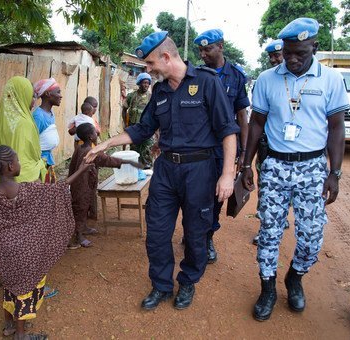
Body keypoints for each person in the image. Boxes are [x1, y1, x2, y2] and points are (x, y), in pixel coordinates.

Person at [85, 31, 239, 310]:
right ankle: (161, 285)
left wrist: (227, 174)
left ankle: (189, 280)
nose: (148, 69)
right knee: (156, 231)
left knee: (195, 233)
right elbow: (143, 129)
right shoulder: (160, 90)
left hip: (200, 170)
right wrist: (104, 144)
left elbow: (228, 131)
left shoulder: (207, 82)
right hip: (166, 170)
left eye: (151, 64)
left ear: (166, 57)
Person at [241, 18, 349, 321]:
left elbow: (337, 128)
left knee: (312, 236)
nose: (292, 59)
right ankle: (267, 288)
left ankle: (295, 277)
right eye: (288, 53)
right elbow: (257, 123)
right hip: (275, 165)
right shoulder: (266, 79)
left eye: (300, 53)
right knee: (269, 233)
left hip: (313, 167)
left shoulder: (330, 79)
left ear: (315, 47)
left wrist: (335, 173)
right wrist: (245, 164)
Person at [0, 145, 89, 340]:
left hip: (5, 253)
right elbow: (60, 188)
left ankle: (9, 326)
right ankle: (21, 335)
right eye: (17, 160)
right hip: (26, 254)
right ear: (9, 167)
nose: (19, 163)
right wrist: (82, 168)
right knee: (26, 291)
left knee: (11, 286)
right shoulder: (28, 190)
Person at [193, 28, 250, 264]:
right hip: (197, 148)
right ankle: (194, 232)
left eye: (208, 49)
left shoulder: (236, 76)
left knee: (218, 195)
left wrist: (243, 152)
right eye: (201, 50)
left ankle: (207, 237)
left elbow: (241, 116)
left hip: (223, 151)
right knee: (194, 194)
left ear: (221, 46)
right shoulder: (195, 74)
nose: (204, 54)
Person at [68, 123, 142, 248]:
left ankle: (84, 228)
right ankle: (78, 236)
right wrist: (128, 161)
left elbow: (72, 166)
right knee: (80, 209)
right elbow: (108, 160)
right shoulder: (91, 153)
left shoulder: (80, 148)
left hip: (79, 185)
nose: (96, 133)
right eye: (94, 132)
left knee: (84, 207)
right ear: (90, 137)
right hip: (83, 186)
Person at [251, 39, 287, 246]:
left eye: (277, 55)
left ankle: (280, 217)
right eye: (271, 56)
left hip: (294, 151)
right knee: (265, 187)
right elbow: (255, 119)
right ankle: (265, 225)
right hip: (268, 147)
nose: (274, 60)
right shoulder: (264, 81)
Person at [0, 76, 47, 183]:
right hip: (26, 180)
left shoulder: (3, 121)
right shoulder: (24, 123)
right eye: (32, 96)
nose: (34, 101)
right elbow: (28, 157)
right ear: (22, 96)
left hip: (5, 179)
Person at [32, 78, 62, 183]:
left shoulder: (50, 113)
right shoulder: (38, 116)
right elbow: (32, 141)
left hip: (47, 159)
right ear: (48, 94)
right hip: (39, 161)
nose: (61, 96)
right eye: (58, 92)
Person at [122, 72, 154, 168]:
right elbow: (124, 110)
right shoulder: (131, 96)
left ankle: (148, 170)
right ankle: (136, 169)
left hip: (147, 129)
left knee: (147, 150)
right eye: (144, 82)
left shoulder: (151, 97)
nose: (146, 85)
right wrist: (125, 123)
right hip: (134, 128)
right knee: (134, 151)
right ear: (139, 83)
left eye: (148, 83)